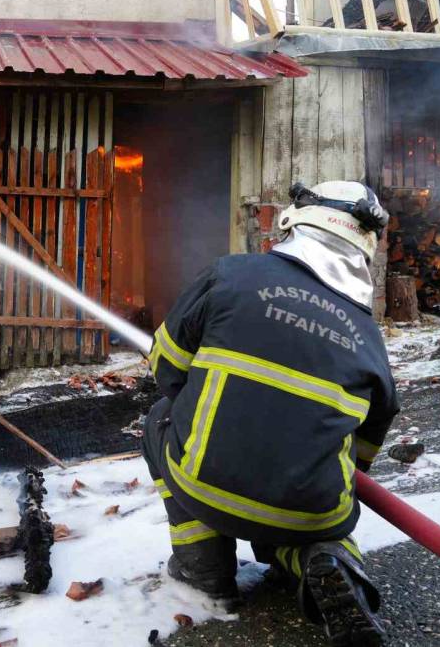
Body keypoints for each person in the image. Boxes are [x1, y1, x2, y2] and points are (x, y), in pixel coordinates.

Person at [142, 180, 398, 647]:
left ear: (296, 222)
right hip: (312, 510)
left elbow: (165, 370)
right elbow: (362, 456)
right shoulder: (368, 336)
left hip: (205, 485)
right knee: (310, 516)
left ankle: (205, 572)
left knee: (159, 416)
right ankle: (328, 563)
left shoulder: (231, 274)